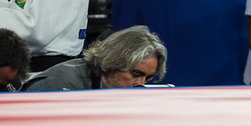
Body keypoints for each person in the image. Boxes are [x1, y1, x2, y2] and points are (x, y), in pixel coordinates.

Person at [23, 25, 167, 91]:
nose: (141, 84)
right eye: (136, 74)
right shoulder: (61, 84)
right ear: (112, 64)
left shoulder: (125, 91)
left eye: (147, 78)